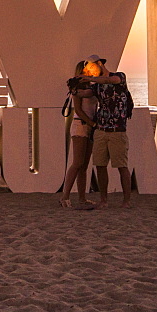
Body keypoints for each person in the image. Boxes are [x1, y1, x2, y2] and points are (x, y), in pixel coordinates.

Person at [82, 59, 133, 208]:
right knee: (100, 165)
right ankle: (103, 200)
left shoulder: (119, 77)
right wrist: (74, 86)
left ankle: (126, 201)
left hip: (118, 130)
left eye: (92, 67)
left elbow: (110, 79)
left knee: (122, 166)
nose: (91, 71)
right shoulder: (97, 86)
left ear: (100, 64)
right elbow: (84, 94)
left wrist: (91, 79)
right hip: (101, 130)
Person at [59, 61, 98, 209]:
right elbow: (79, 110)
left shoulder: (92, 85)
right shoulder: (77, 86)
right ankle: (65, 196)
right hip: (81, 125)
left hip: (89, 125)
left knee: (84, 165)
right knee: (77, 163)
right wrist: (92, 124)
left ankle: (82, 198)